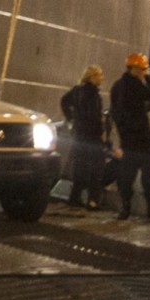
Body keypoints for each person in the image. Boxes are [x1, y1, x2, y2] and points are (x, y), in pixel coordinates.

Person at [108, 52, 150, 221]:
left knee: (127, 179)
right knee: (147, 180)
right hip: (142, 141)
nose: (141, 73)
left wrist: (122, 129)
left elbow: (114, 112)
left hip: (131, 141)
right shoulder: (137, 87)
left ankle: (126, 209)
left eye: (143, 70)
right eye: (140, 70)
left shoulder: (118, 86)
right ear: (132, 68)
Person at [58, 64, 108, 211]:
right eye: (99, 75)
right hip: (92, 137)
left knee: (80, 167)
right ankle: (93, 201)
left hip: (79, 135)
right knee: (97, 169)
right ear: (92, 77)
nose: (102, 78)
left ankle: (75, 197)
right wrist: (102, 133)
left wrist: (71, 118)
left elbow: (64, 101)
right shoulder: (94, 95)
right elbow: (95, 118)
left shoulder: (77, 91)